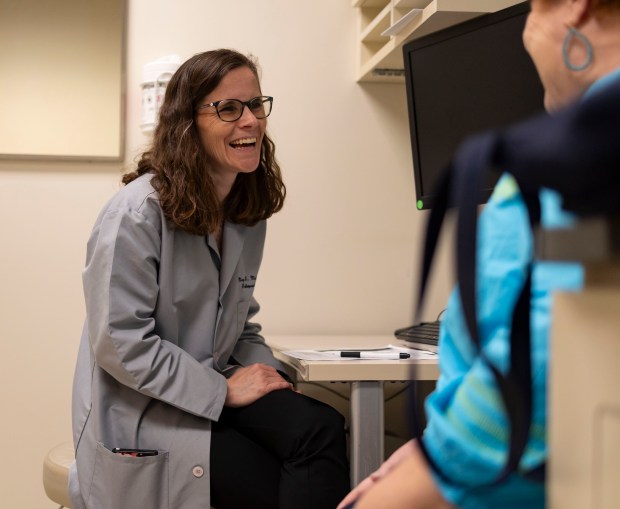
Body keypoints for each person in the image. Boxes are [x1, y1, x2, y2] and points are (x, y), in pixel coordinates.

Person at [337, 0, 620, 508]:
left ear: (574, 8)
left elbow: (536, 368)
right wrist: (433, 446)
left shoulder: (581, 165)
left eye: (532, 9)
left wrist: (433, 468)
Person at [69, 49, 350, 509]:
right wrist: (223, 390)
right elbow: (120, 342)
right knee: (271, 479)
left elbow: (239, 321)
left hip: (211, 388)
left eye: (256, 105)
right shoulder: (136, 214)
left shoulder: (244, 211)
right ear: (188, 125)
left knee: (319, 425)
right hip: (145, 407)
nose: (250, 121)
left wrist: (275, 379)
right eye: (228, 108)